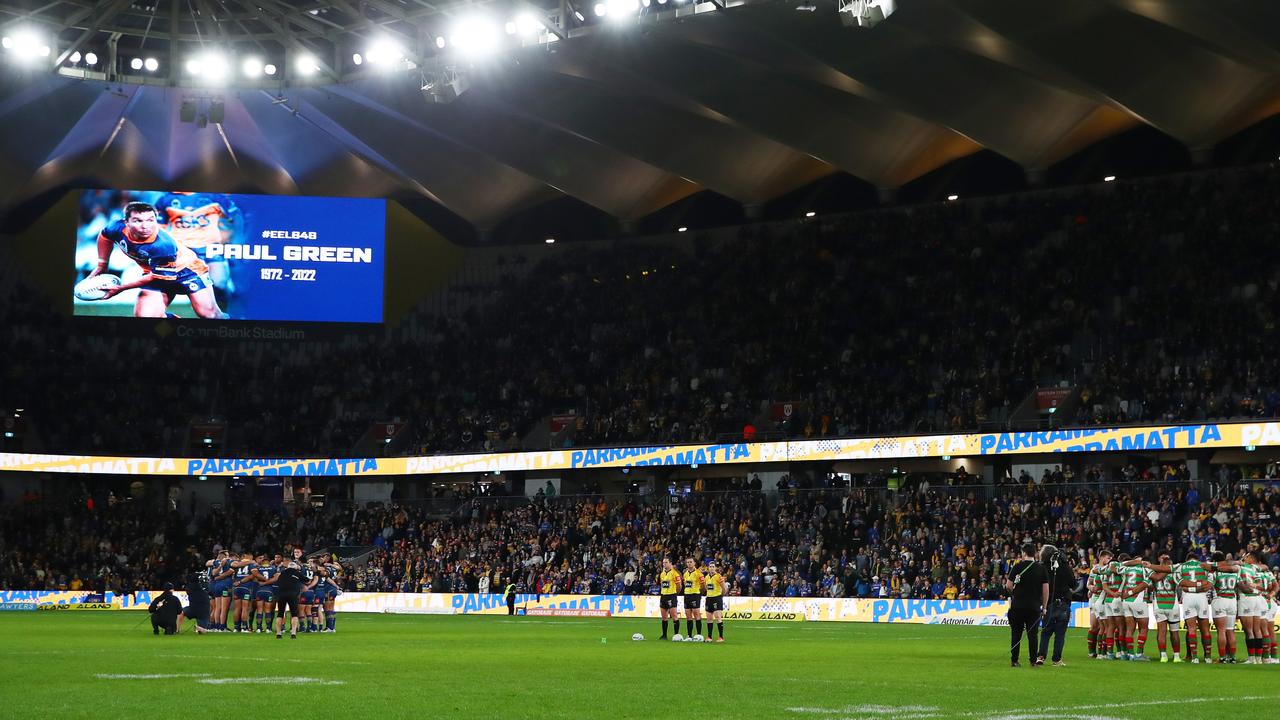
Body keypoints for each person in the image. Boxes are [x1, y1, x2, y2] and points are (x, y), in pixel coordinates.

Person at [88, 201, 226, 318]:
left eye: (150, 220)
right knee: (145, 318)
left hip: (188, 271)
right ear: (126, 222)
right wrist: (102, 264)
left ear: (156, 219)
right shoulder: (116, 228)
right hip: (156, 272)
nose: (145, 226)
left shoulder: (163, 245)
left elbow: (154, 277)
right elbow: (104, 236)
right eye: (138, 221)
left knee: (209, 315)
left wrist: (120, 288)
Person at [1005, 543, 1047, 668]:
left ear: (1024, 553)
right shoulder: (1041, 568)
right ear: (1035, 554)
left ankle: (1014, 660)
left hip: (1018, 605)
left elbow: (1008, 585)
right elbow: (1045, 590)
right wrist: (1044, 607)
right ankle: (1033, 661)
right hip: (1033, 606)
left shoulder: (1017, 567)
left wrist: (1016, 593)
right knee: (1032, 635)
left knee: (1016, 634)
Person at [1035, 544, 1074, 666]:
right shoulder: (1064, 566)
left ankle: (1041, 656)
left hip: (1049, 603)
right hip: (1063, 602)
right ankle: (1056, 659)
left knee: (1046, 631)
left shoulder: (1042, 567)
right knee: (1060, 634)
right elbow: (1073, 583)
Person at [1147, 554, 1182, 663]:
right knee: (1174, 632)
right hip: (1173, 605)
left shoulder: (1154, 573)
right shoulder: (1174, 574)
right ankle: (1176, 656)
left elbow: (1150, 586)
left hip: (1159, 605)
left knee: (1161, 631)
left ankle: (1163, 656)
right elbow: (1180, 585)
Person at [1085, 549, 1111, 659]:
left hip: (1101, 600)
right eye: (1108, 558)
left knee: (1100, 626)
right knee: (1096, 626)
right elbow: (1089, 583)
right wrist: (1091, 588)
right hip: (1096, 600)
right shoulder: (1095, 569)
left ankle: (1099, 652)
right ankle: (1094, 651)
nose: (1109, 560)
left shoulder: (1108, 569)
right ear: (1102, 557)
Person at [271, 560, 305, 639]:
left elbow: (277, 582)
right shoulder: (297, 573)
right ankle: (293, 633)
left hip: (281, 594)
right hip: (293, 595)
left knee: (280, 613)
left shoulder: (282, 573)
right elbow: (306, 579)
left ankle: (278, 633)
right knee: (294, 614)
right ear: (296, 567)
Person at [658, 557, 681, 639]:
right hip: (663, 596)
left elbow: (679, 586)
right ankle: (664, 635)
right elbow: (662, 585)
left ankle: (676, 635)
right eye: (663, 562)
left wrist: (675, 594)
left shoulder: (675, 573)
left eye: (666, 562)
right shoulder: (662, 574)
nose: (664, 564)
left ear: (670, 563)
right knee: (664, 617)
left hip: (671, 595)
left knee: (674, 616)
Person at [703, 560, 726, 643]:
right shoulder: (706, 577)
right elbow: (706, 587)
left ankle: (721, 637)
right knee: (709, 618)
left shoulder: (719, 576)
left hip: (717, 598)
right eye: (710, 567)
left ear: (715, 568)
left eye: (713, 567)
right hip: (709, 598)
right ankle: (709, 637)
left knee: (717, 617)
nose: (712, 568)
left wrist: (720, 596)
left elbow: (724, 588)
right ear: (708, 568)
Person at [682, 558, 705, 638]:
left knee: (696, 614)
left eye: (691, 562)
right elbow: (685, 584)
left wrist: (699, 592)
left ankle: (698, 635)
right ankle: (689, 636)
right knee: (688, 616)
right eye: (687, 562)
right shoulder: (685, 573)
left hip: (695, 595)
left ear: (694, 563)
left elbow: (703, 585)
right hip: (687, 595)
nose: (689, 563)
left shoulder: (699, 573)